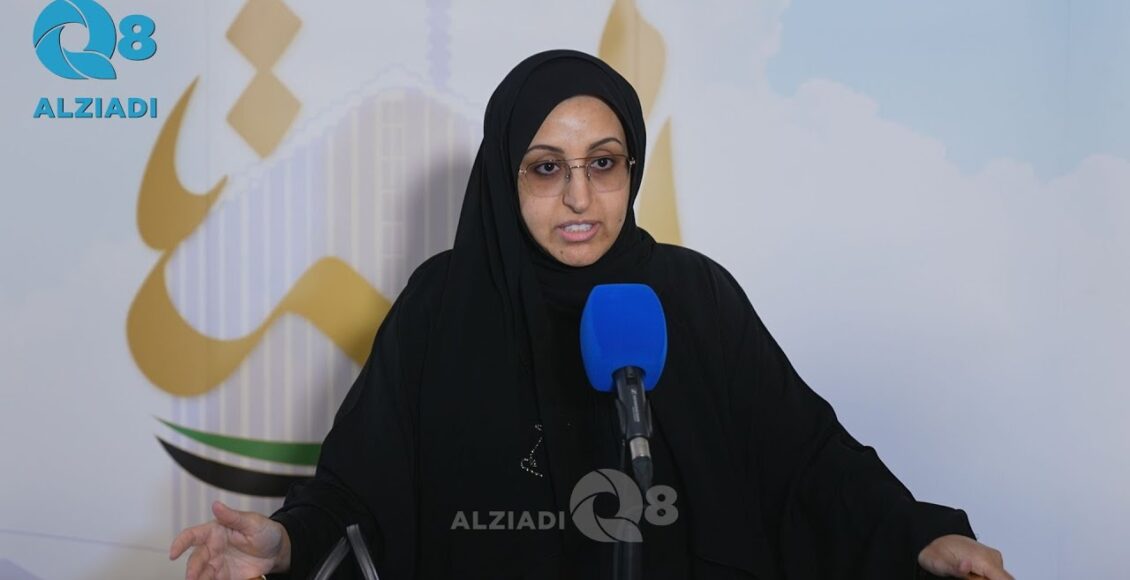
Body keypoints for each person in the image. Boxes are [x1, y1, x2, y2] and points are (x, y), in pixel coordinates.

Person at [170, 50, 1013, 579]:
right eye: (546, 168)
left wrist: (916, 537)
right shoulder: (442, 307)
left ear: (630, 170)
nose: (579, 196)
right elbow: (359, 490)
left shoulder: (692, 296)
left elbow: (808, 461)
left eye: (603, 163)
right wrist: (285, 543)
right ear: (505, 177)